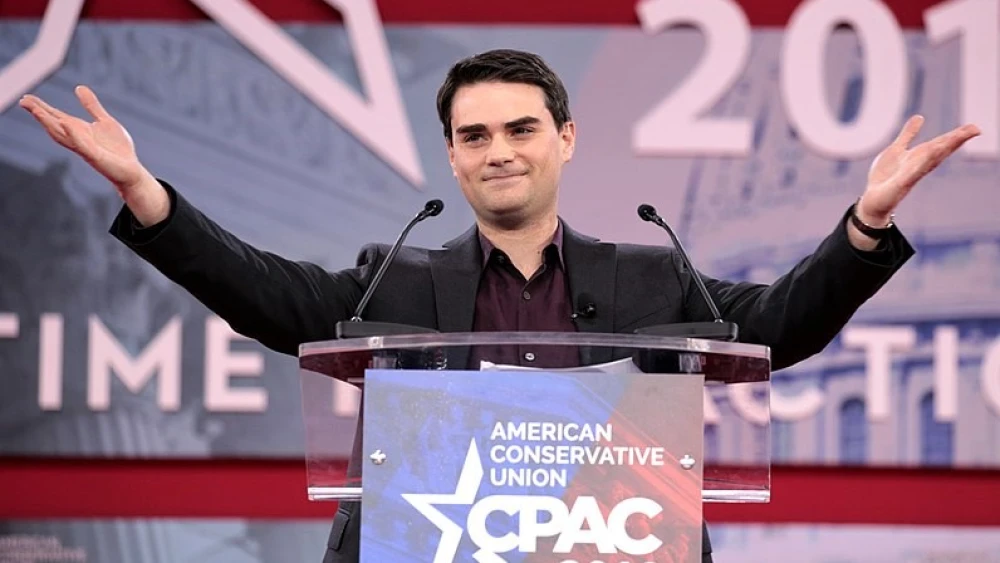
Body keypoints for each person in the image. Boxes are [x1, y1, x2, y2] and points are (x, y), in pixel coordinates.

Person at [20, 48, 979, 563]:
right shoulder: (392, 276)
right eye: (474, 134)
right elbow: (267, 295)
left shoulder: (652, 275)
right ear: (451, 156)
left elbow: (780, 326)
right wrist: (147, 193)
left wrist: (863, 222)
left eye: (522, 127)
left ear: (565, 137)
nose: (499, 149)